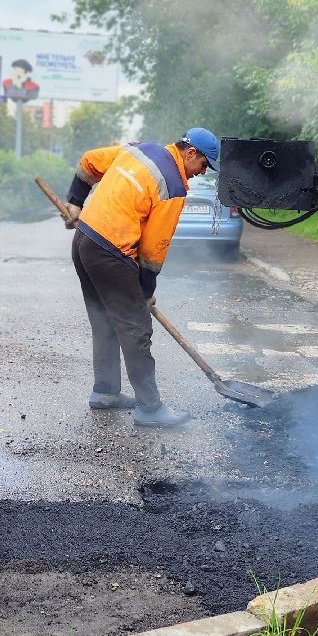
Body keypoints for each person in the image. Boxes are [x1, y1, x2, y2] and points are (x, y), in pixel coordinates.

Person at [63, 128, 219, 428]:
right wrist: (145, 291)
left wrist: (75, 200)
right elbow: (152, 250)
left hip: (84, 242)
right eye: (203, 165)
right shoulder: (173, 185)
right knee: (136, 329)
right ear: (190, 153)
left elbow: (89, 161)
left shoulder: (141, 149)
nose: (202, 172)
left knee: (105, 321)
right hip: (109, 251)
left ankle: (106, 392)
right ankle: (150, 408)